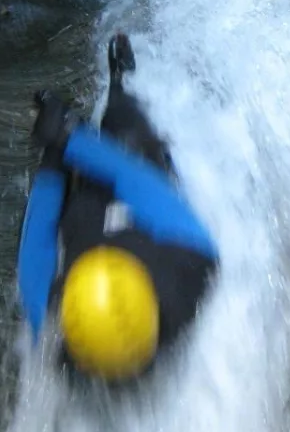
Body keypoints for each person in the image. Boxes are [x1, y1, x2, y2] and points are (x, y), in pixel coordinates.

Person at [16, 33, 220, 383]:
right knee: (131, 140)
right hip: (143, 226)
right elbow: (142, 183)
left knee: (77, 201)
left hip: (90, 228)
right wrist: (71, 138)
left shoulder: (54, 329)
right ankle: (120, 88)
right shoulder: (191, 263)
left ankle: (113, 98)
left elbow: (35, 245)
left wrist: (53, 160)